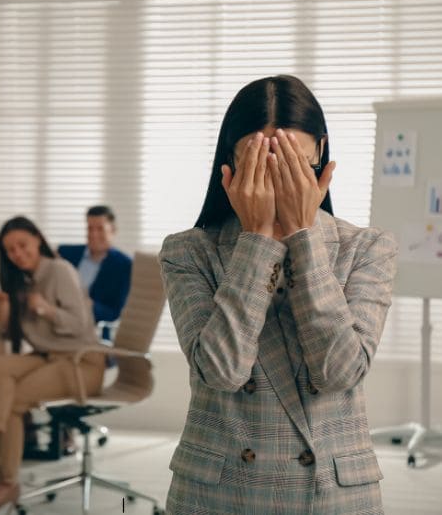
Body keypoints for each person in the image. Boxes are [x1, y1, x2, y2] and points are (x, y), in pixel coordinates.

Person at [159, 75, 399, 514]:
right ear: (230, 166)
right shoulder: (187, 250)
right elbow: (222, 370)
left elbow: (340, 371)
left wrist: (303, 236)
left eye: (292, 167)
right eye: (260, 168)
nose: (276, 184)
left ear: (321, 155)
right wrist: (257, 240)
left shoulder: (367, 248)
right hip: (218, 493)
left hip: (332, 491)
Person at [0, 216, 106, 513]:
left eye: (22, 245)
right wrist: (4, 307)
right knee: (1, 365)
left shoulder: (59, 270)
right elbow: (10, 335)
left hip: (81, 364)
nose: (18, 254)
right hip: (51, 358)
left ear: (38, 239)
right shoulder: (22, 280)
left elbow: (79, 325)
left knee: (13, 400)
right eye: (10, 250)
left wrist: (46, 310)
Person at [58, 205, 132, 334]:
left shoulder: (124, 265)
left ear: (113, 230)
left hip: (93, 331)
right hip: (58, 322)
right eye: (90, 228)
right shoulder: (66, 253)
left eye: (100, 229)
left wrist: (88, 304)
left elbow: (115, 313)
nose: (93, 234)